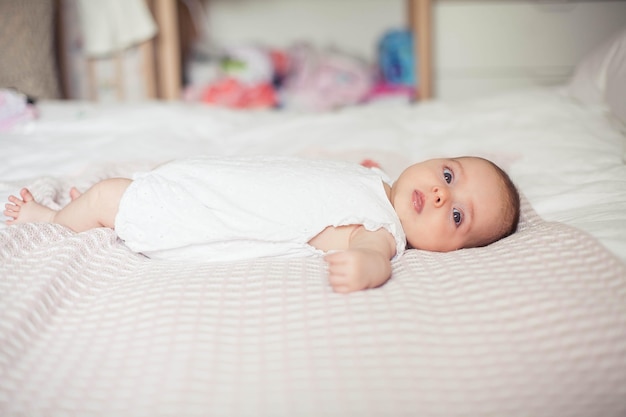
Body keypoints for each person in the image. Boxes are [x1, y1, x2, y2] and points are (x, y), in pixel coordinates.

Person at [4, 156, 520, 293]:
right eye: (448, 174)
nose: (438, 192)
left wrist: (366, 265)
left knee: (109, 197)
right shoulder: (380, 186)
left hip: (200, 217)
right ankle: (97, 214)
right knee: (134, 188)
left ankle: (53, 218)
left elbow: (372, 250)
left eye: (456, 214)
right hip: (208, 183)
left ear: (452, 251)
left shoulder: (385, 229)